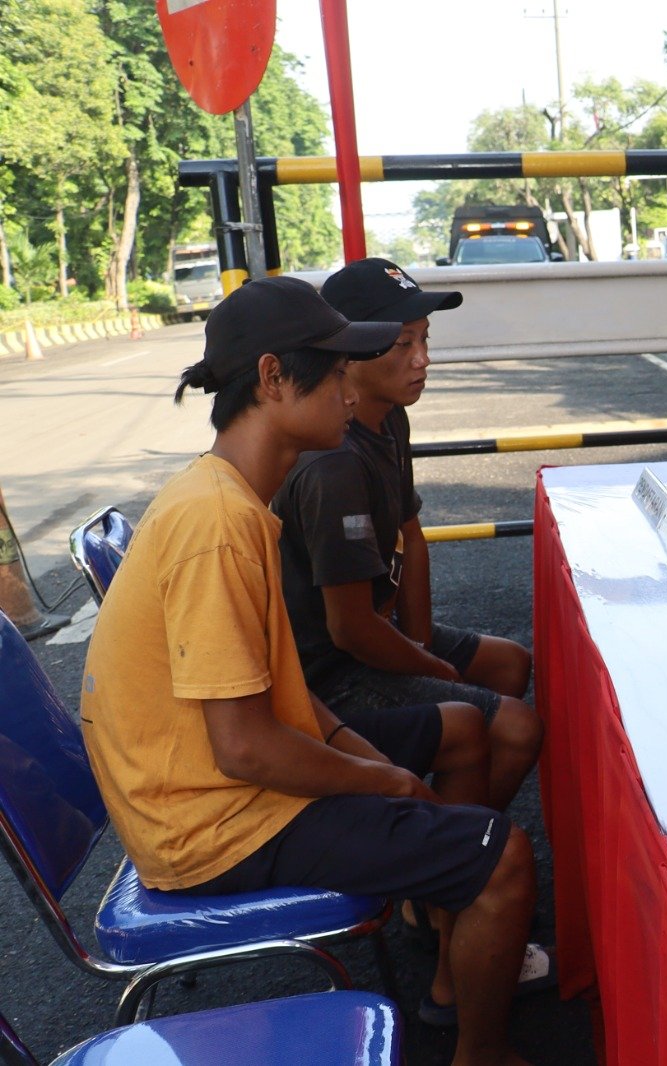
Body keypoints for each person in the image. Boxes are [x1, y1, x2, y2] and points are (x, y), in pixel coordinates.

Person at [79, 276, 541, 1065]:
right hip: (210, 824)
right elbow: (246, 748)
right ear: (270, 379)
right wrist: (380, 780)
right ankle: (481, 1053)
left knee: (456, 764)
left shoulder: (233, 500)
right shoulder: (217, 526)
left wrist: (375, 765)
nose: (348, 390)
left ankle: (448, 970)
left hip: (217, 793)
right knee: (503, 856)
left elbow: (285, 699)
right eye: (332, 371)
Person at [274, 258, 540, 814]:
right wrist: (436, 673)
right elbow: (347, 630)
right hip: (328, 673)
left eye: (424, 340)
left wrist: (419, 647)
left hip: (377, 628)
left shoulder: (390, 416)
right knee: (513, 727)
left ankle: (452, 817)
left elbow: (410, 538)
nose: (422, 360)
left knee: (509, 664)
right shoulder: (333, 464)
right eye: (401, 344)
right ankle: (449, 862)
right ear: (351, 349)